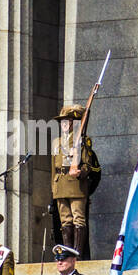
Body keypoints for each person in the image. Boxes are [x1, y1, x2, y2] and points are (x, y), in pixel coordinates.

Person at [50, 104, 100, 254]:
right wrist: (53, 189)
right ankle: (67, 251)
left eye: (67, 121)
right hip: (61, 184)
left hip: (76, 185)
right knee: (65, 220)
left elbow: (88, 165)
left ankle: (77, 252)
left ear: (74, 123)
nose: (64, 125)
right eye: (62, 122)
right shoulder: (56, 142)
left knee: (78, 218)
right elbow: (53, 167)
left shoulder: (81, 141)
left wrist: (80, 172)